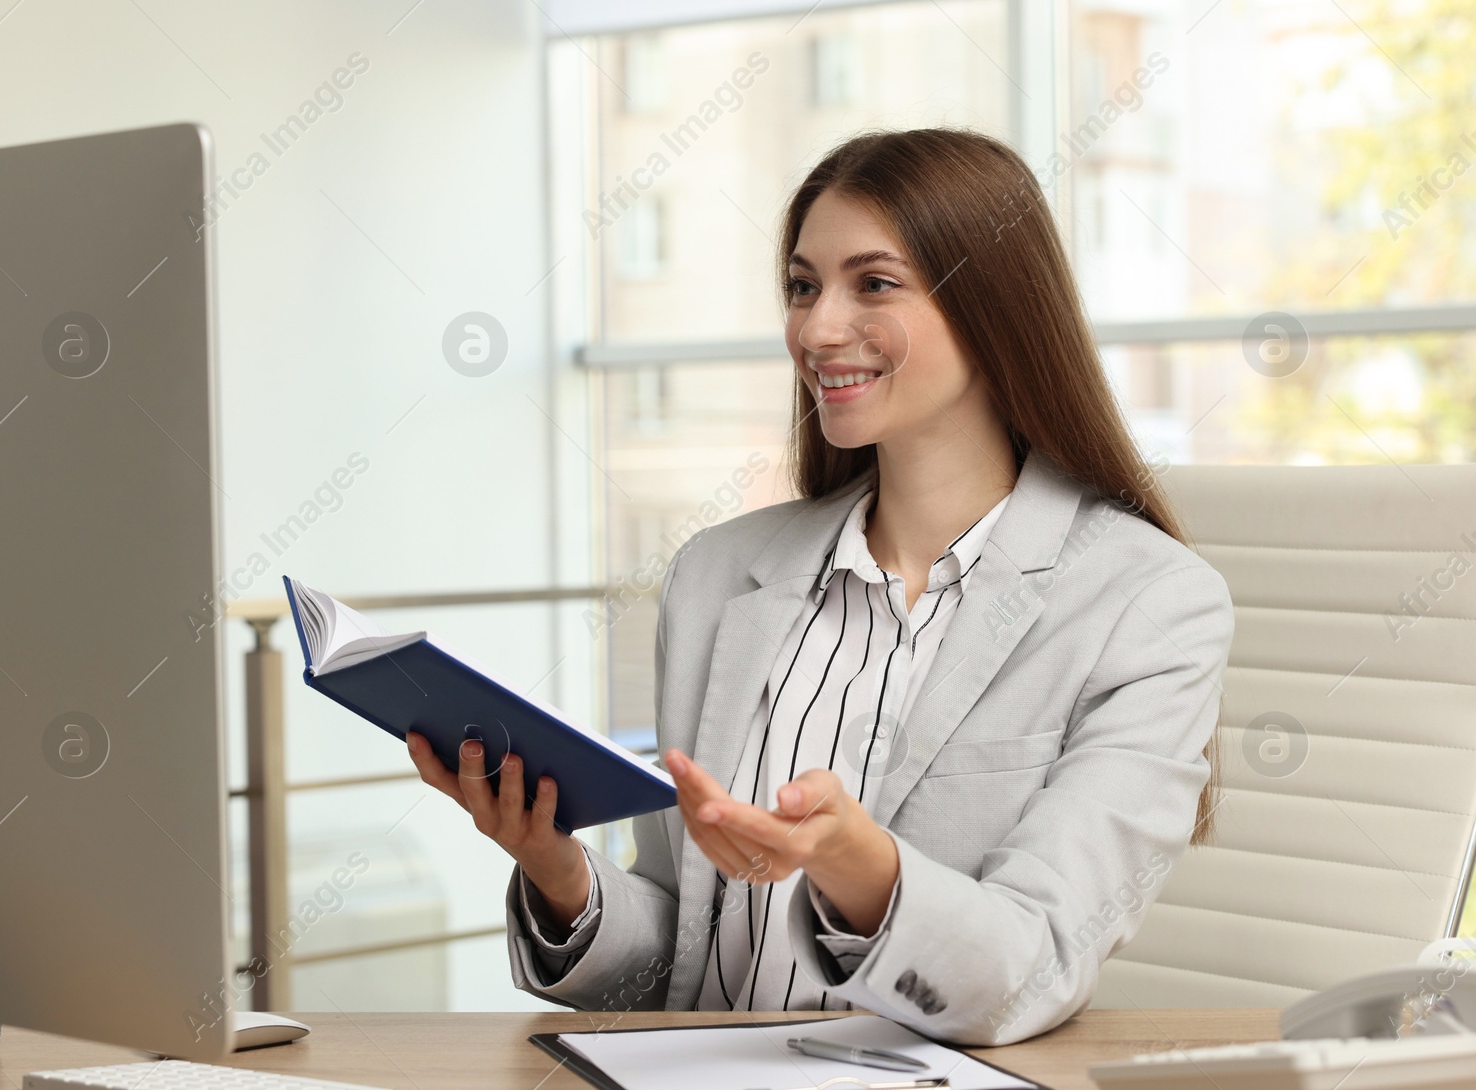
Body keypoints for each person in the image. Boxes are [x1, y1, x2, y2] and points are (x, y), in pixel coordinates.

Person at [406, 127, 1234, 1045]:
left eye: (873, 284)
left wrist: (858, 863)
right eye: (803, 286)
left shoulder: (1150, 605)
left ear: (996, 306)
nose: (814, 328)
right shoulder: (717, 576)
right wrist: (559, 871)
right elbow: (679, 971)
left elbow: (1029, 967)